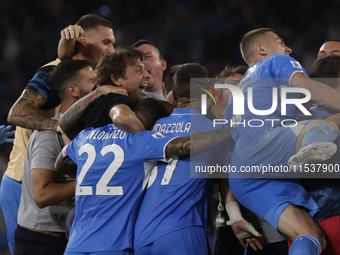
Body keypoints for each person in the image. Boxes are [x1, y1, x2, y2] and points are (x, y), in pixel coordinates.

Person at [54, 97, 233, 255]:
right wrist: (229, 130)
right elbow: (185, 145)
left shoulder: (87, 135)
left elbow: (60, 164)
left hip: (75, 243)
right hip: (113, 243)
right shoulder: (139, 141)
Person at [1, 14, 116, 254]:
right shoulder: (54, 72)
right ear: (83, 40)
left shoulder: (91, 78)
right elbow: (17, 113)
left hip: (57, 181)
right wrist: (61, 126)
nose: (112, 49)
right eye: (106, 42)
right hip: (24, 181)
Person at [224, 28, 340, 255]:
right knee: (327, 122)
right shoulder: (276, 61)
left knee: (309, 235)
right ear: (261, 49)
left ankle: (311, 146)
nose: (288, 49)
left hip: (243, 173)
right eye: (280, 42)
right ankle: (312, 145)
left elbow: (231, 144)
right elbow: (306, 87)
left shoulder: (238, 93)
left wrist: (233, 212)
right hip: (267, 144)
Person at [134, 63, 262, 255]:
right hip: (182, 229)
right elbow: (227, 178)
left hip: (141, 234)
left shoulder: (155, 125)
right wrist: (235, 217)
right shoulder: (216, 130)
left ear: (175, 95)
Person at [13, 59, 96, 255]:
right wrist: (91, 183)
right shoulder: (49, 136)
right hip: (41, 242)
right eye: (93, 81)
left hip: (68, 236)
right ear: (73, 90)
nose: (99, 86)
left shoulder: (84, 130)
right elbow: (42, 195)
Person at [58, 45, 150, 139]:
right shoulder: (118, 97)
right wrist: (153, 144)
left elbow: (63, 123)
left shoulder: (98, 102)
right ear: (116, 79)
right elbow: (123, 119)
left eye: (146, 70)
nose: (147, 75)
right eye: (139, 70)